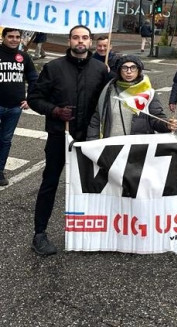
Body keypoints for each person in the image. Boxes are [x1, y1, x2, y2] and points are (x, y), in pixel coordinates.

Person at [27, 25, 110, 255]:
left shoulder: (100, 69)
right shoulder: (53, 68)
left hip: (89, 139)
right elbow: (34, 98)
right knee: (50, 183)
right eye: (76, 38)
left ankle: (93, 231)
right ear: (69, 41)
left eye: (84, 38)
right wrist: (54, 111)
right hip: (59, 136)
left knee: (93, 185)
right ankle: (39, 234)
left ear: (91, 42)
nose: (80, 41)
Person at [87, 55, 177, 139]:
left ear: (138, 70)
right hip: (111, 147)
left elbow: (156, 118)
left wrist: (167, 125)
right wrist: (92, 142)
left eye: (133, 67)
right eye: (125, 68)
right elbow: (97, 119)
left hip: (137, 149)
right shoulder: (109, 90)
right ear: (119, 71)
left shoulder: (148, 93)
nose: (129, 71)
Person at [0, 28, 38, 186]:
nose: (14, 40)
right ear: (3, 37)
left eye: (17, 37)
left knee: (5, 140)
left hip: (15, 107)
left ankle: (0, 171)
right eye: (10, 36)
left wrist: (30, 99)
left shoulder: (24, 57)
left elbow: (34, 79)